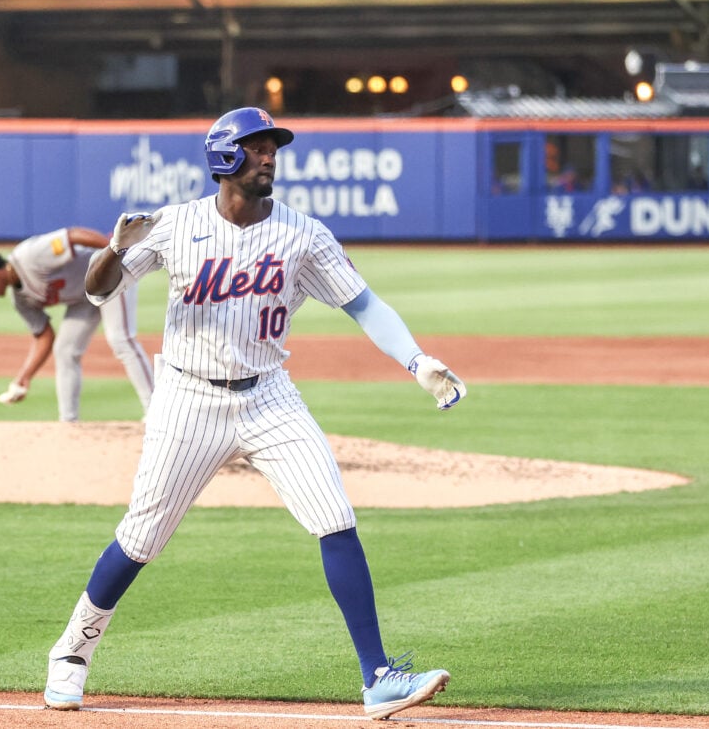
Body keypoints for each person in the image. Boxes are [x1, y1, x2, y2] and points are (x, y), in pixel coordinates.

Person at [42, 107, 466, 720]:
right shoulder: (175, 224)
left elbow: (365, 305)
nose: (269, 156)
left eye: (273, 147)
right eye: (256, 147)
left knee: (335, 517)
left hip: (269, 394)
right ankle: (72, 653)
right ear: (223, 157)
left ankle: (378, 677)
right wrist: (114, 247)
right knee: (142, 537)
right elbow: (99, 290)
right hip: (188, 398)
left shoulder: (303, 233)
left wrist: (417, 360)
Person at [0, 227, 153, 422]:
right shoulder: (20, 300)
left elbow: (72, 235)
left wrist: (113, 253)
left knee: (120, 339)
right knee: (64, 350)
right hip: (85, 298)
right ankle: (68, 422)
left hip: (107, 273)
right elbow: (44, 336)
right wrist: (24, 377)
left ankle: (155, 410)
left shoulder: (29, 255)